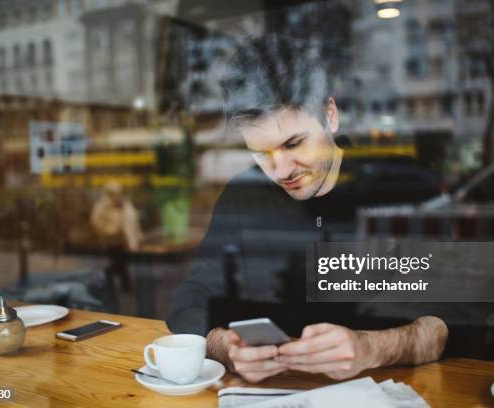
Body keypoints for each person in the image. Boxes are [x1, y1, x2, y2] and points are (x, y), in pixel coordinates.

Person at [166, 36, 448, 383]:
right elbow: (190, 299)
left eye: (293, 143)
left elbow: (442, 325)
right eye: (260, 152)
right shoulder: (242, 196)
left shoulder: (399, 186)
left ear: (330, 115)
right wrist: (223, 346)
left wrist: (372, 348)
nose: (281, 170)